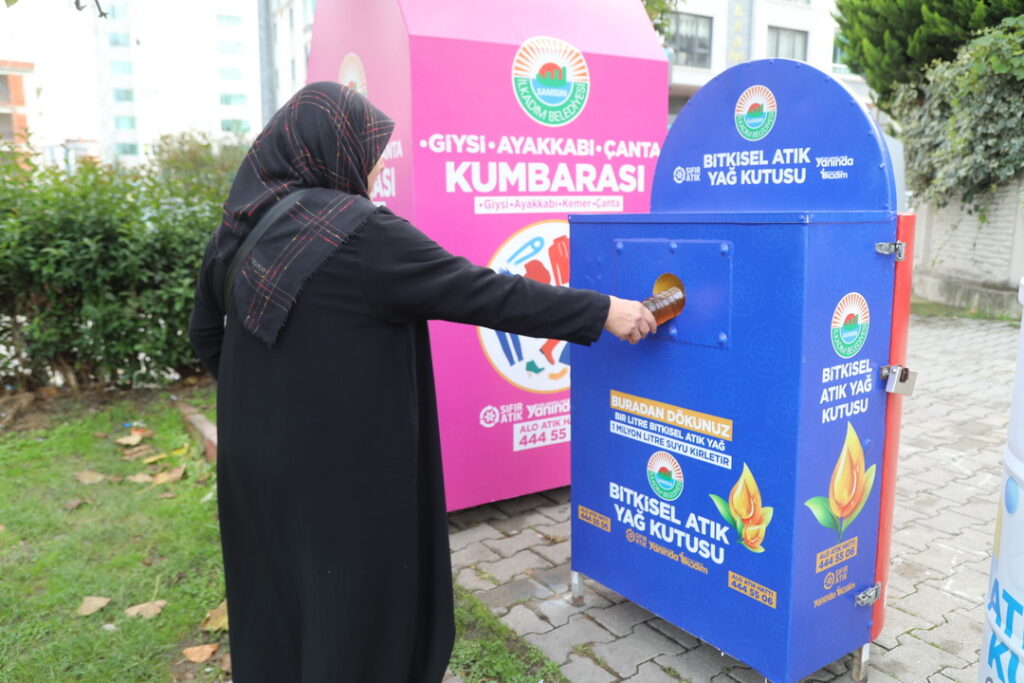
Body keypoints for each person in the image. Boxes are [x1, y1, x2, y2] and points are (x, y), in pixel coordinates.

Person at [189, 81, 656, 682]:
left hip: (252, 462)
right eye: (372, 151)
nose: (378, 167)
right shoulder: (358, 235)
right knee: (354, 606)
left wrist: (266, 401)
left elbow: (208, 337)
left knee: (277, 590)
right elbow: (485, 292)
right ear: (332, 150)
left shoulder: (236, 230)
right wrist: (602, 311)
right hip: (342, 471)